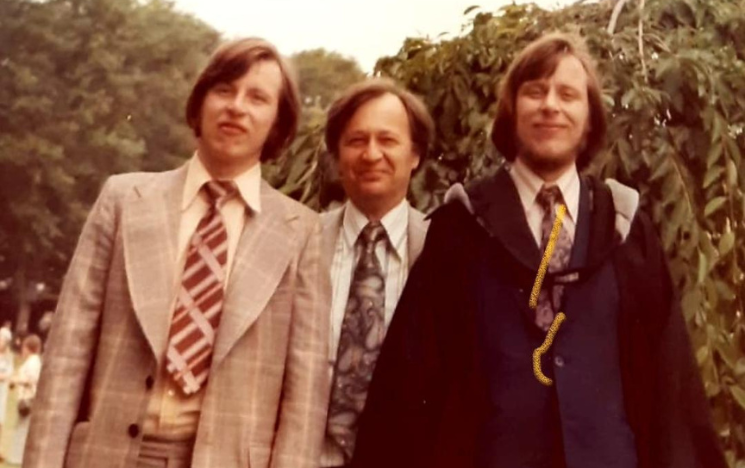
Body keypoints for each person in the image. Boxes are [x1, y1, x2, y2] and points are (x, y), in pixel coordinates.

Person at [352, 33, 727, 468]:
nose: (551, 105)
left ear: (589, 120)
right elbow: (411, 385)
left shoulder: (625, 227)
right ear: (512, 112)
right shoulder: (461, 229)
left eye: (568, 94)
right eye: (535, 92)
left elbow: (670, 384)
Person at [25, 37, 330, 468]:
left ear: (278, 123)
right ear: (200, 102)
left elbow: (305, 397)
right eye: (223, 89)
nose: (236, 106)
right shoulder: (124, 200)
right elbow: (66, 354)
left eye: (258, 97)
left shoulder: (301, 233)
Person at [319, 78, 434, 468]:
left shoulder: (444, 254)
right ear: (337, 154)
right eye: (356, 140)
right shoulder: (299, 243)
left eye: (387, 140)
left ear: (415, 154)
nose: (371, 154)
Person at [7, 334, 42, 466]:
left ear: (28, 348)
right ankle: (16, 456)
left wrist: (16, 380)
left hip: (28, 399)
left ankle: (18, 457)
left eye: (24, 348)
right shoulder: (32, 361)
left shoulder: (33, 362)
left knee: (22, 429)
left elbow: (32, 380)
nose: (22, 351)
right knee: (20, 427)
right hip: (25, 398)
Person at [0, 332, 14, 461]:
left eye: (2, 340)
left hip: (2, 392)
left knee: (0, 421)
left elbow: (9, 375)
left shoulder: (8, 358)